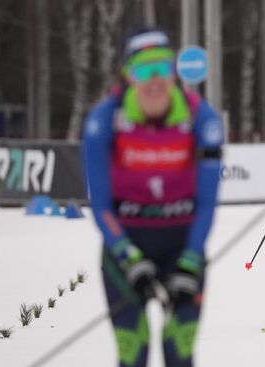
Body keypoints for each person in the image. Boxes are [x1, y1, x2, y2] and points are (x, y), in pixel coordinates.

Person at [82, 28, 223, 367]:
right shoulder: (103, 121)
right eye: (143, 70)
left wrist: (190, 260)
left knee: (180, 352)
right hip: (125, 246)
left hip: (183, 246)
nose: (154, 79)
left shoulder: (201, 119)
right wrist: (129, 257)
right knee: (133, 354)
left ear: (174, 71)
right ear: (128, 76)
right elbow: (100, 205)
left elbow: (206, 204)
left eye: (162, 67)